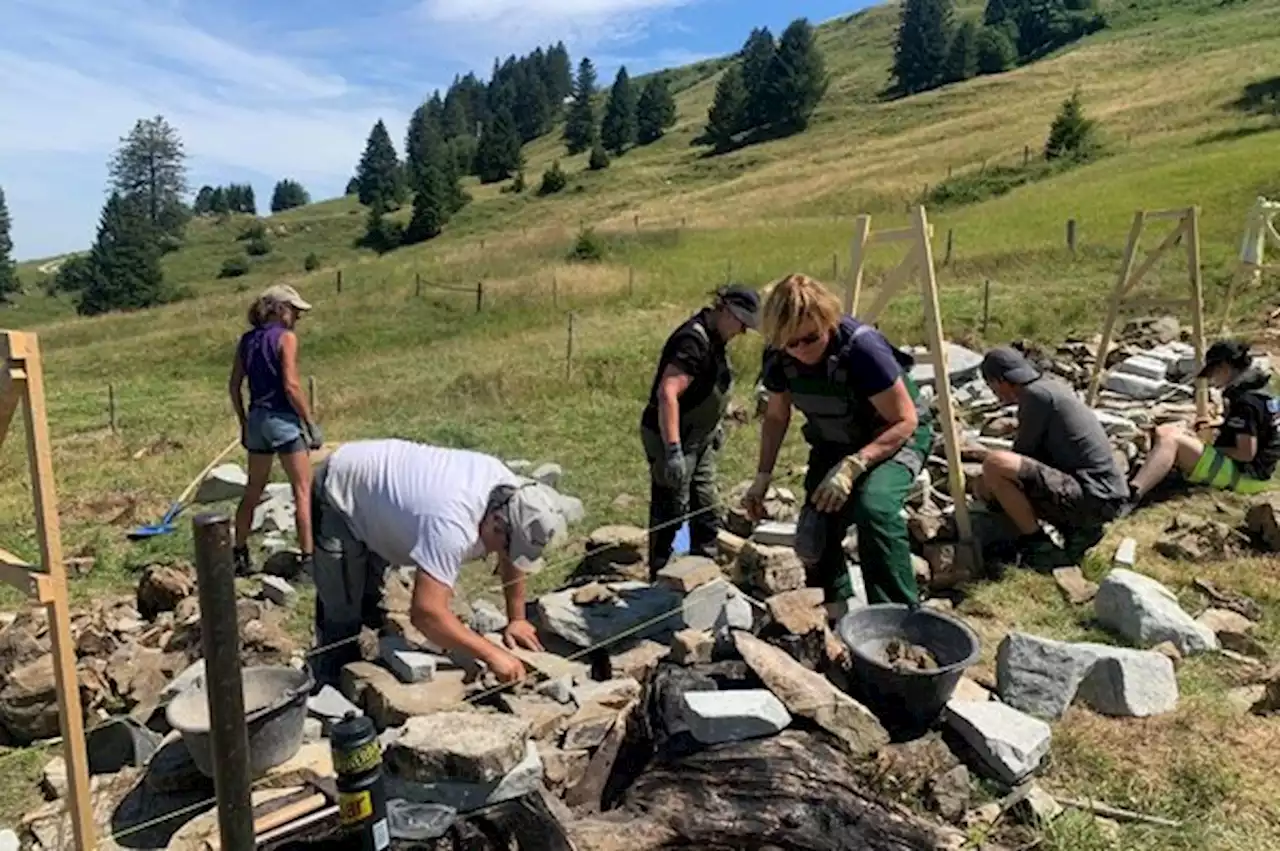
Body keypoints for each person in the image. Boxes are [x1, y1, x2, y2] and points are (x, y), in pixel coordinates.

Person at [307, 438, 565, 688]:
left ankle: (373, 646)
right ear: (497, 523)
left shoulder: (510, 494)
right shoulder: (452, 525)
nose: (504, 554)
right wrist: (492, 654)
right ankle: (332, 682)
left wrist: (517, 619)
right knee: (341, 606)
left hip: (381, 492)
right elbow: (425, 614)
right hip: (340, 489)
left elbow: (512, 552)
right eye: (506, 547)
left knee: (369, 591)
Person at [746, 273, 933, 606]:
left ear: (827, 321)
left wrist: (854, 466)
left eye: (810, 338)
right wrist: (762, 478)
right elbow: (776, 416)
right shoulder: (778, 354)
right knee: (816, 529)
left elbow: (905, 420)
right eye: (791, 343)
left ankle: (896, 616)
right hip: (836, 438)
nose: (801, 350)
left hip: (894, 434)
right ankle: (835, 608)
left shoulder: (862, 349)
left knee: (874, 508)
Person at [640, 284, 760, 577]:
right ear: (726, 311)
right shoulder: (692, 341)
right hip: (674, 436)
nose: (742, 332)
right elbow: (668, 394)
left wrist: (717, 421)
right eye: (741, 324)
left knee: (705, 502)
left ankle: (704, 565)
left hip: (700, 437)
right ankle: (663, 570)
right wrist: (672, 450)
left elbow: (707, 387)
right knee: (672, 504)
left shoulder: (716, 339)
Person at [976, 347, 1129, 567]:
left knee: (995, 465)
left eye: (992, 387)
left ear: (1000, 381)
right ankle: (1077, 531)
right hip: (1104, 493)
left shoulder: (1035, 397)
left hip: (1092, 496)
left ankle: (1039, 546)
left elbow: (1021, 456)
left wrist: (985, 484)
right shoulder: (1051, 387)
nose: (995, 394)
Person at [229, 284, 323, 576]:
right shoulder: (286, 338)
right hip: (282, 419)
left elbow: (234, 385)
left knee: (253, 489)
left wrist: (244, 423)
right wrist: (309, 423)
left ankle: (239, 552)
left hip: (257, 419)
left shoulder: (247, 341)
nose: (297, 317)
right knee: (303, 490)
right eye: (294, 311)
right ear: (280, 310)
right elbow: (292, 385)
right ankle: (308, 561)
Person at [1125, 339, 1280, 504]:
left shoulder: (1246, 402)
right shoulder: (1260, 389)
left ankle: (1133, 493)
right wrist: (1218, 425)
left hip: (1246, 479)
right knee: (1167, 433)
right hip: (1259, 472)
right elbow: (1259, 428)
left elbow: (1245, 453)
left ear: (1224, 368)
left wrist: (1209, 448)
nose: (1211, 380)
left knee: (1172, 440)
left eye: (1212, 373)